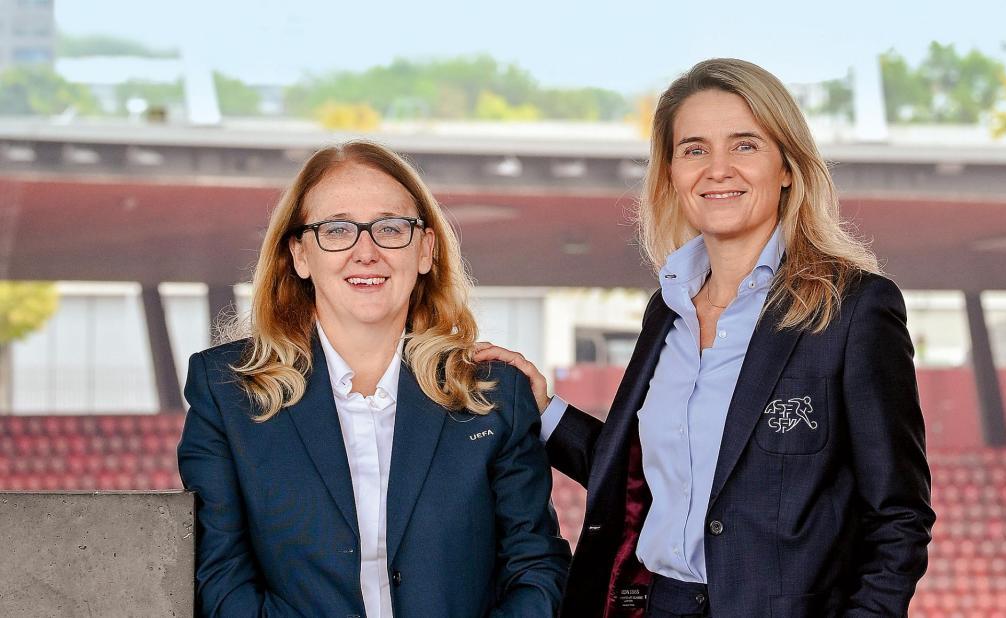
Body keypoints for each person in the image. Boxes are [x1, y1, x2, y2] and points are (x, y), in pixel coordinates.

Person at [476, 58, 935, 617]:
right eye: (694, 150)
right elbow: (644, 480)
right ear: (671, 173)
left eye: (745, 145)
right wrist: (546, 410)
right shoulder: (667, 310)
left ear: (787, 167)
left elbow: (899, 519)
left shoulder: (854, 308)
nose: (718, 170)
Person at [178, 141, 570, 617]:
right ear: (300, 254)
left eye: (390, 228)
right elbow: (221, 580)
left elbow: (536, 570)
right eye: (337, 229)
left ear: (425, 249)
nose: (366, 252)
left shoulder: (494, 393)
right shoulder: (226, 391)